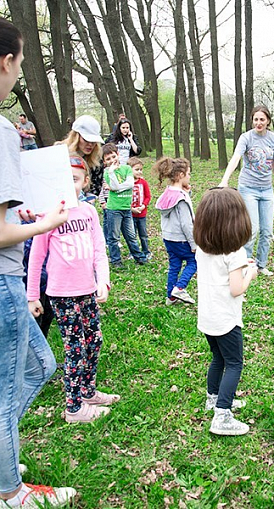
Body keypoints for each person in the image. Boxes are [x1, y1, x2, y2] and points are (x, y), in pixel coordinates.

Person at [0, 17, 76, 508]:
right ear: (6, 62)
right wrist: (43, 225)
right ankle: (10, 491)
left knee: (42, 363)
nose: (19, 71)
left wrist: (18, 214)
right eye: (22, 62)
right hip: (4, 276)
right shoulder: (3, 131)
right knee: (8, 389)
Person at [27, 155, 119, 423]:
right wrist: (32, 295)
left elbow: (99, 251)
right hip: (61, 293)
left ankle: (88, 391)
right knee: (75, 346)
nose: (70, 184)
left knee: (95, 339)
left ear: (86, 181)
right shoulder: (49, 215)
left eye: (76, 179)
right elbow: (36, 257)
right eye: (65, 179)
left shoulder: (89, 212)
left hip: (87, 290)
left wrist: (102, 280)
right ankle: (74, 406)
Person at [194, 188, 257, 436]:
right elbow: (236, 289)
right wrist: (249, 273)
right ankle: (222, 414)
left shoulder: (202, 250)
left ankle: (214, 398)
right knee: (234, 363)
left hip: (207, 316)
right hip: (227, 320)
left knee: (217, 358)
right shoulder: (236, 253)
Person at [219, 105, 274, 276]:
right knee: (252, 229)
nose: (259, 123)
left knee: (267, 231)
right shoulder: (246, 138)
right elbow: (236, 158)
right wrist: (225, 179)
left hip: (267, 190)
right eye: (256, 119)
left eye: (262, 119)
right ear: (252, 120)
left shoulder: (273, 139)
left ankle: (261, 265)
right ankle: (244, 264)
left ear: (268, 121)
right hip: (248, 188)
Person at [154, 157, 196, 305]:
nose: (190, 177)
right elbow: (186, 224)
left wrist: (187, 193)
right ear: (180, 176)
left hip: (168, 238)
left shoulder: (168, 193)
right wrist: (194, 244)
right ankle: (179, 287)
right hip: (181, 239)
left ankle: (170, 297)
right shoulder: (181, 198)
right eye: (189, 174)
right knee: (194, 261)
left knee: (174, 265)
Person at [102, 143, 147, 268]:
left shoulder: (127, 168)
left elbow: (130, 184)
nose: (112, 160)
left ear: (117, 154)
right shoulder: (107, 172)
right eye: (108, 159)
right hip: (113, 209)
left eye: (113, 156)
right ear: (104, 162)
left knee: (131, 236)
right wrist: (112, 173)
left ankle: (139, 258)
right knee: (114, 237)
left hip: (126, 208)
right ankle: (116, 261)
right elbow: (116, 186)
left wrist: (115, 188)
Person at [57, 115, 104, 196]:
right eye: (86, 140)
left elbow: (96, 187)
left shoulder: (97, 159)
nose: (90, 144)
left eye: (94, 141)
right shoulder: (59, 152)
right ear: (76, 136)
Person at [129, 157, 151, 260]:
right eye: (137, 169)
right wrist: (131, 208)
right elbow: (124, 198)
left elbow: (148, 196)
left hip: (141, 214)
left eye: (141, 169)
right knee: (131, 235)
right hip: (130, 214)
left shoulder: (143, 183)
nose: (139, 172)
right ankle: (133, 252)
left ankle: (146, 251)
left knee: (143, 234)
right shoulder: (127, 184)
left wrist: (143, 206)